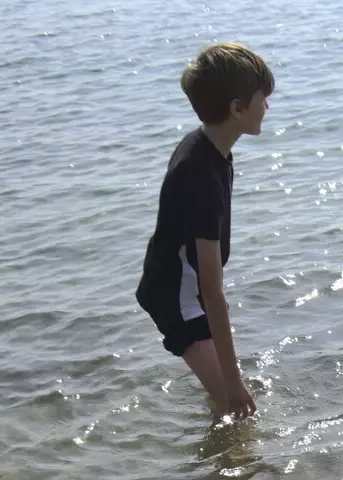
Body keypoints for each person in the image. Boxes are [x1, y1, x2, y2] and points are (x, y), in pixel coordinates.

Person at [136, 43, 273, 419]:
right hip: (175, 297)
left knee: (229, 396)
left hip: (182, 286)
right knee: (234, 403)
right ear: (236, 109)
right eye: (263, 99)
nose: (268, 107)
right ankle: (222, 474)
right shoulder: (201, 175)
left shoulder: (210, 148)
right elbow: (213, 291)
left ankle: (218, 450)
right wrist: (233, 381)